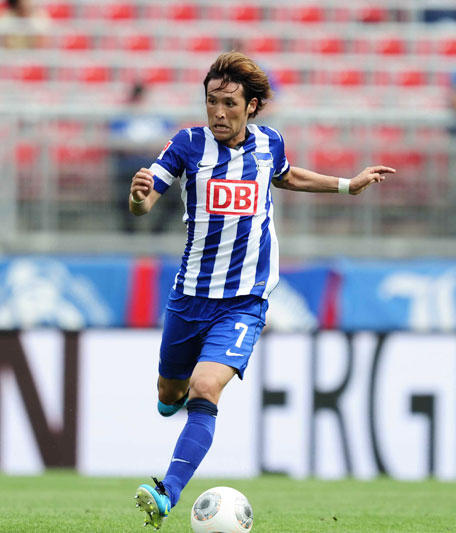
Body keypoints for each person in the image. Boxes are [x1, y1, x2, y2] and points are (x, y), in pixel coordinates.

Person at [130, 51, 395, 530]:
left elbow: (287, 175)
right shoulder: (188, 144)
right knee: (170, 394)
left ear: (251, 106)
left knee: (205, 389)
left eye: (229, 103)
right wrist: (137, 197)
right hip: (190, 298)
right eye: (212, 102)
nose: (219, 113)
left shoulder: (269, 143)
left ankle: (166, 492)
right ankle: (173, 395)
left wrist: (347, 186)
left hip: (244, 302)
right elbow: (146, 202)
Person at [109, 81, 177, 233]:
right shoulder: (122, 117)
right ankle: (130, 232)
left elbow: (170, 142)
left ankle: (156, 231)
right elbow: (117, 143)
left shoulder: (158, 117)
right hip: (129, 168)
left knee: (174, 199)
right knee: (123, 196)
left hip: (157, 168)